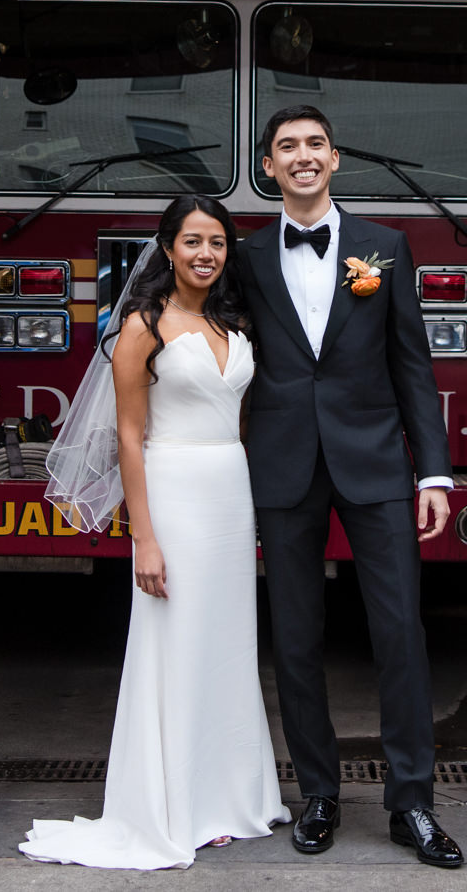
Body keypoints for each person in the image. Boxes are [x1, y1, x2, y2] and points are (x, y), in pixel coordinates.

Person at [21, 197, 287, 870]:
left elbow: (243, 416)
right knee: (175, 641)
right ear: (168, 247)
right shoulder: (141, 325)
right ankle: (171, 805)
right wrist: (144, 537)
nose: (207, 253)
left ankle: (224, 796)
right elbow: (131, 437)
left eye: (218, 242)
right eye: (193, 240)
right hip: (173, 492)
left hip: (230, 495)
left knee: (225, 642)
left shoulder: (232, 319)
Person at [235, 107, 464, 869]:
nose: (301, 158)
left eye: (313, 146)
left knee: (400, 633)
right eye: (286, 148)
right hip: (282, 466)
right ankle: (320, 794)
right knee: (296, 640)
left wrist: (432, 469)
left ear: (334, 159)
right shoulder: (247, 258)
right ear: (268, 166)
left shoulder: (385, 249)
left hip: (375, 464)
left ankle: (413, 804)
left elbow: (413, 366)